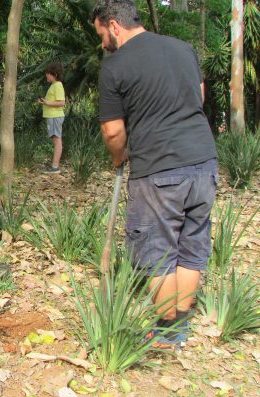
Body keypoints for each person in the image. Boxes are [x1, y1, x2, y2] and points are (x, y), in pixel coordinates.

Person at [92, 0, 218, 348]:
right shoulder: (183, 49)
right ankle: (179, 326)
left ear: (114, 26)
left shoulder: (115, 65)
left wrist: (119, 157)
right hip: (204, 162)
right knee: (191, 244)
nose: (102, 43)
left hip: (158, 169)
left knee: (157, 249)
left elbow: (113, 132)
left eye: (101, 34)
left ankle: (164, 330)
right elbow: (199, 95)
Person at [38, 62, 66, 174]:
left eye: (48, 73)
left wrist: (47, 102)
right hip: (52, 117)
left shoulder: (58, 85)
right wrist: (44, 102)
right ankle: (54, 165)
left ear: (54, 74)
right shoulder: (54, 86)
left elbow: (61, 102)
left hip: (55, 116)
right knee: (56, 140)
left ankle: (55, 166)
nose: (46, 75)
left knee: (57, 140)